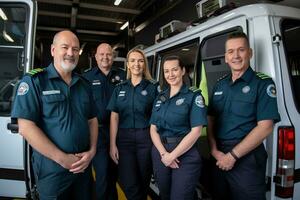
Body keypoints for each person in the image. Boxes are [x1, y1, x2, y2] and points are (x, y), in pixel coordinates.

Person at [11, 30, 98, 199]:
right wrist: (63, 159)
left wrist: (92, 151)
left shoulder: (84, 84)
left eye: (75, 49)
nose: (70, 53)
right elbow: (26, 127)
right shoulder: (35, 81)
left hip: (83, 167)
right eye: (65, 47)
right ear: (53, 50)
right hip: (52, 172)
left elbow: (92, 120)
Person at [207, 31, 280, 200]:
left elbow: (266, 126)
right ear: (226, 57)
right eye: (231, 51)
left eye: (241, 50)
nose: (236, 56)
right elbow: (211, 119)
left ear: (250, 53)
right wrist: (213, 149)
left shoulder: (262, 83)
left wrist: (232, 156)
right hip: (218, 156)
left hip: (246, 158)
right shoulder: (219, 85)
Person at [150, 55, 207, 200]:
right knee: (165, 194)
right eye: (166, 71)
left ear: (183, 71)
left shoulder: (193, 96)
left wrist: (172, 156)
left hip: (185, 154)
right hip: (161, 153)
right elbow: (153, 129)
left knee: (180, 196)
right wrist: (164, 154)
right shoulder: (160, 97)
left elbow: (196, 131)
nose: (170, 74)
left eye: (174, 70)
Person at [107, 48, 158, 200]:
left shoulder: (152, 87)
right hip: (124, 140)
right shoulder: (119, 88)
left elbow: (157, 116)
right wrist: (112, 144)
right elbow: (114, 117)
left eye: (140, 61)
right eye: (133, 61)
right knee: (128, 182)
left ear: (144, 64)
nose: (137, 64)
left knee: (143, 181)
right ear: (128, 65)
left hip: (146, 138)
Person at [83, 43, 125, 200]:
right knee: (102, 174)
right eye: (101, 54)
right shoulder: (86, 77)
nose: (105, 57)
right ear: (96, 57)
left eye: (108, 54)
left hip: (119, 132)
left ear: (113, 57)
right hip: (98, 133)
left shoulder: (123, 75)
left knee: (114, 174)